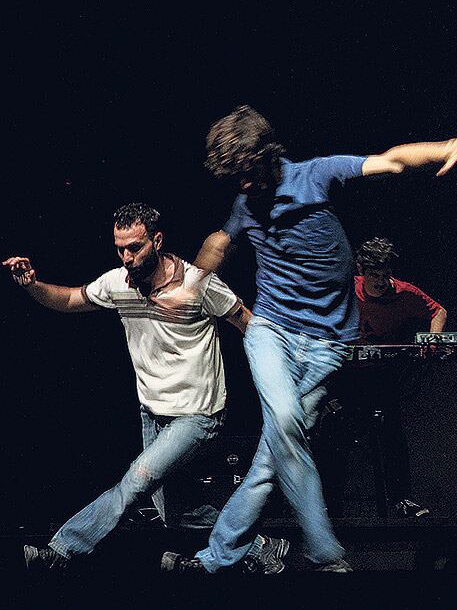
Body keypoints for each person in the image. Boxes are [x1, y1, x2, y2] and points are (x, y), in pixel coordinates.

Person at [161, 105, 457, 573]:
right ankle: (327, 554)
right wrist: (192, 284)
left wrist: (448, 145)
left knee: (271, 458)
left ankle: (214, 558)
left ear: (267, 157)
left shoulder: (314, 175)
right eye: (234, 179)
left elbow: (391, 160)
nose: (242, 187)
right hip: (271, 333)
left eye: (246, 175)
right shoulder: (246, 202)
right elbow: (221, 241)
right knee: (285, 424)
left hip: (326, 346)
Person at [3, 203, 289, 574]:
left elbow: (248, 325)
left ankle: (61, 550)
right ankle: (261, 546)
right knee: (179, 512)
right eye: (120, 248)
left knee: (132, 484)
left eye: (135, 248)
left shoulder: (197, 283)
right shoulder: (117, 284)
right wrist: (33, 285)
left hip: (197, 414)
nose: (127, 257)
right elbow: (70, 299)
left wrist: (282, 374)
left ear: (156, 240)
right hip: (152, 413)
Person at [318, 237, 446, 518]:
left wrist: (433, 339)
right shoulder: (345, 290)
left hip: (382, 376)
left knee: (391, 429)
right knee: (336, 430)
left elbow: (438, 310)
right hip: (346, 375)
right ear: (362, 270)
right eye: (373, 275)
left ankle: (400, 499)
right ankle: (331, 503)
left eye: (385, 276)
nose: (379, 282)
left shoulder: (404, 293)